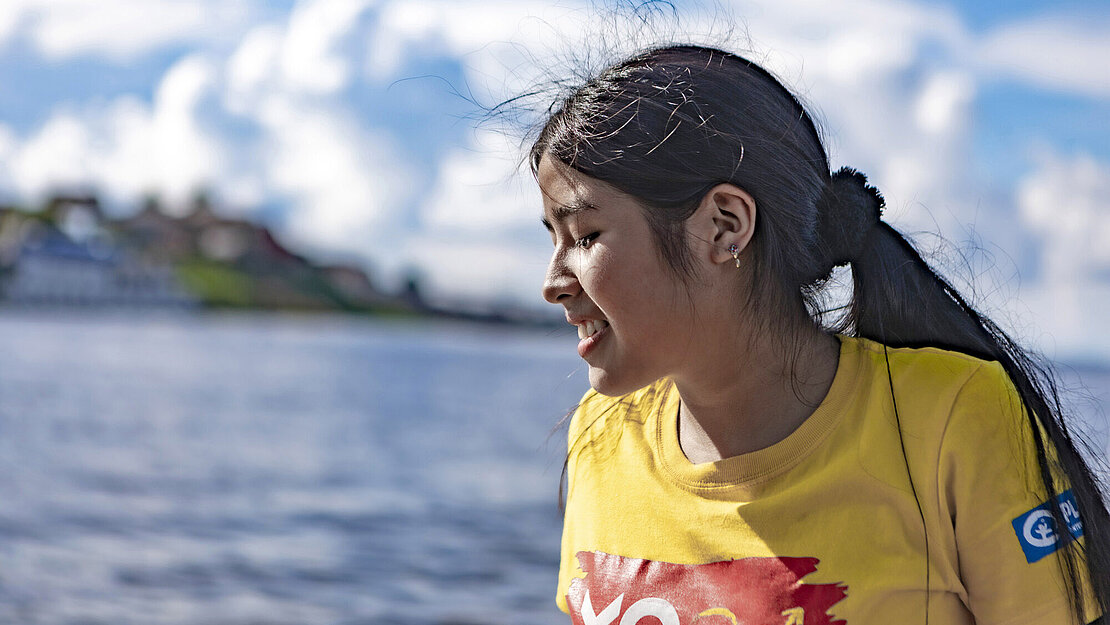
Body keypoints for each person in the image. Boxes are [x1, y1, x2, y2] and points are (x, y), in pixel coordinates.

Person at [533, 45, 1109, 624]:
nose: (553, 283)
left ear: (724, 226)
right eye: (551, 239)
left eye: (583, 236)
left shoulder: (955, 418)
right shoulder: (600, 433)